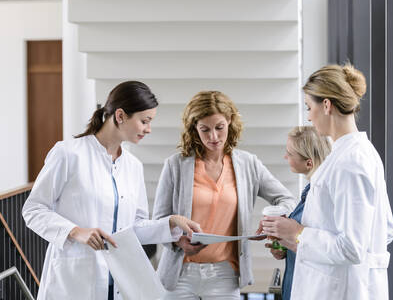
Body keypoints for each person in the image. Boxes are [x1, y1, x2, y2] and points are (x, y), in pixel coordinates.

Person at [22, 81, 201, 300]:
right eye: (144, 121)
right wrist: (76, 231)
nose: (149, 129)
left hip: (117, 281)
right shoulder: (68, 154)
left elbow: (133, 228)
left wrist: (170, 223)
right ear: (120, 116)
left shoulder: (133, 166)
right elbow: (33, 210)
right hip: (73, 281)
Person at [261, 64, 393, 299]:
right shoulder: (352, 154)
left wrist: (299, 234)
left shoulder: (351, 162)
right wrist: (292, 237)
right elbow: (384, 231)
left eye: (309, 107)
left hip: (340, 290)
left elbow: (352, 247)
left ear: (326, 105)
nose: (309, 116)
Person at [152, 90, 296, 299]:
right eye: (205, 129)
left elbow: (287, 200)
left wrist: (272, 220)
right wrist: (177, 241)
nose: (213, 137)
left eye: (219, 127)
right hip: (179, 275)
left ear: (229, 121)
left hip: (225, 275)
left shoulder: (249, 164)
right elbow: (158, 222)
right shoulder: (175, 166)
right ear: (194, 128)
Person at [265, 126, 330, 300]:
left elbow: (323, 246)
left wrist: (292, 236)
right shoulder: (309, 191)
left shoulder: (323, 197)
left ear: (309, 162)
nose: (285, 157)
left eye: (290, 154)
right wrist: (284, 246)